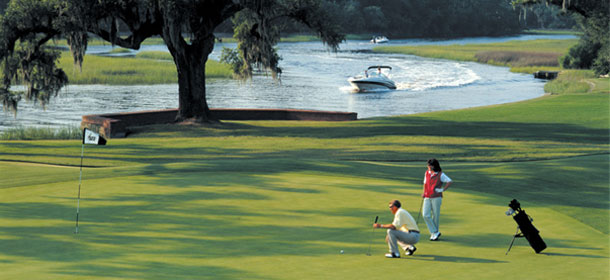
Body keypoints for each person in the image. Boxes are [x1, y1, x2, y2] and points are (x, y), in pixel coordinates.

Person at [422, 158, 452, 241]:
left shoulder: (440, 174)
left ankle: (434, 234)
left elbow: (449, 181)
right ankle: (435, 231)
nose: (428, 166)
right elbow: (425, 183)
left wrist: (442, 189)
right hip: (427, 197)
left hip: (437, 197)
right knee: (425, 214)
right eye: (428, 165)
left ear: (433, 166)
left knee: (435, 215)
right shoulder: (427, 173)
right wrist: (424, 192)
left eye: (429, 165)